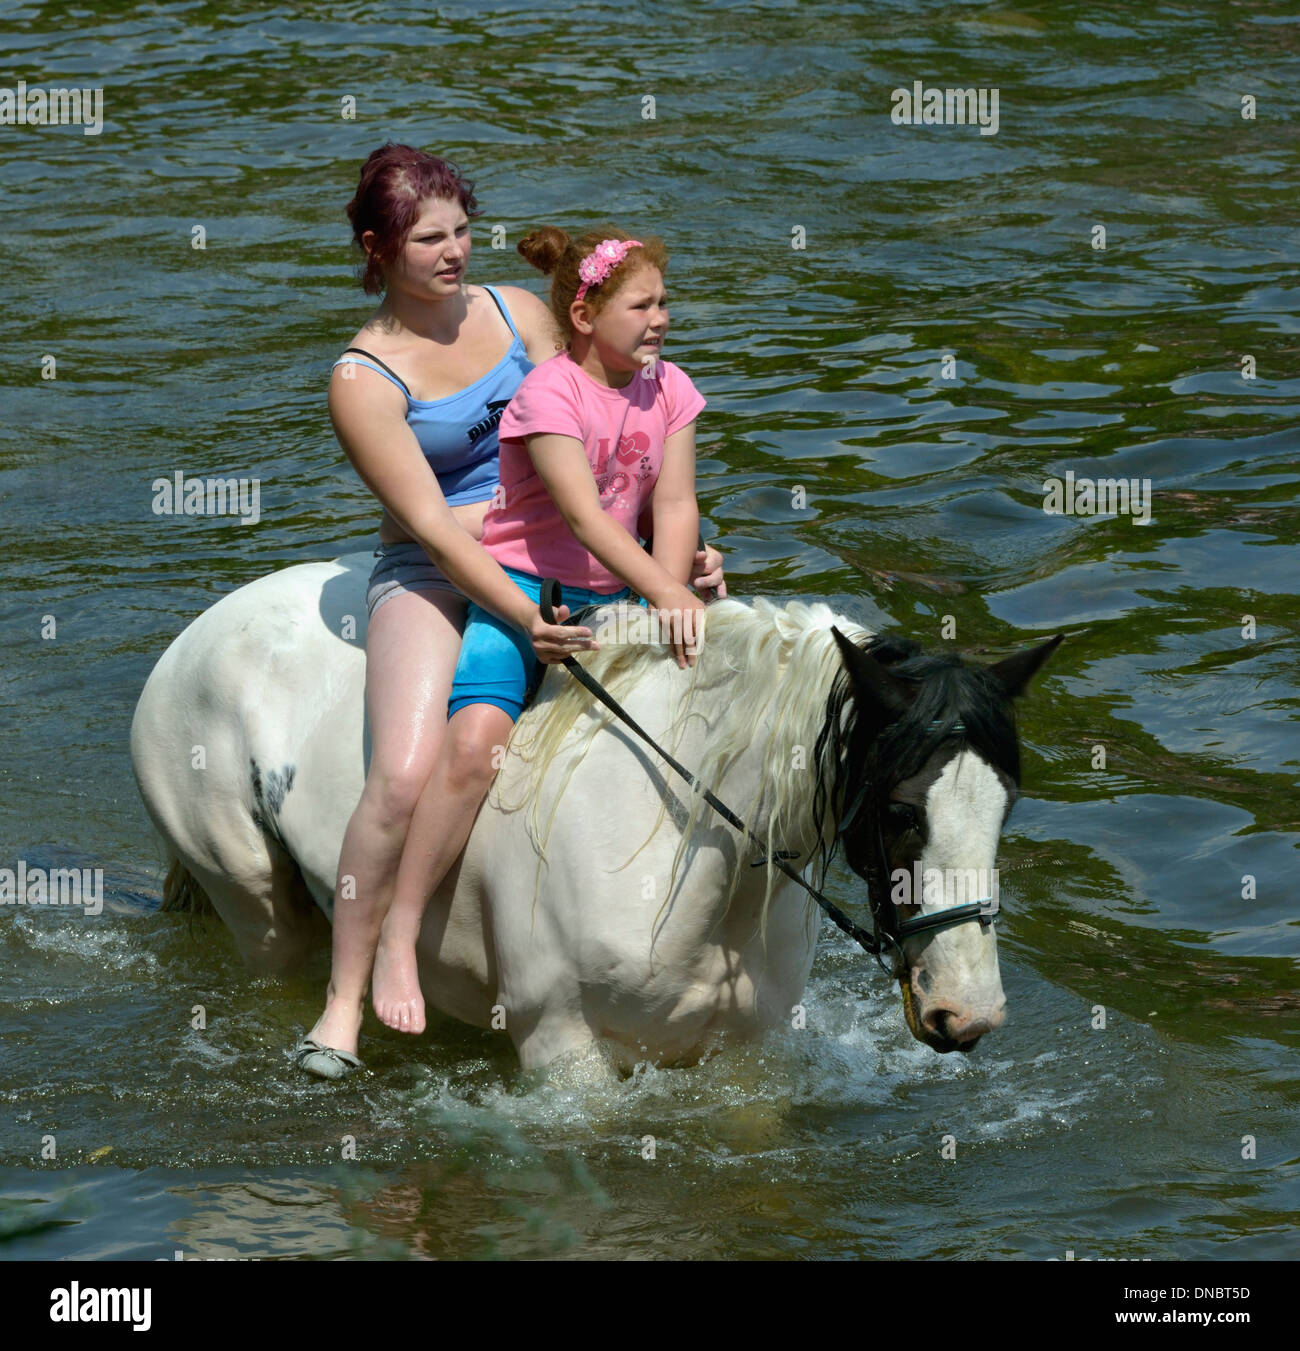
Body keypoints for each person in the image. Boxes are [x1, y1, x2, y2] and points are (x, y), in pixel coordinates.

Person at [296, 146, 725, 1078]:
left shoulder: (517, 310)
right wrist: (523, 618)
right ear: (376, 249)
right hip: (436, 569)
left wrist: (676, 551)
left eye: (463, 231)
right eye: (429, 239)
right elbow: (434, 530)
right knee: (407, 774)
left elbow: (611, 437)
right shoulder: (363, 379)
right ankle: (344, 995)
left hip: (565, 546)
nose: (455, 252)